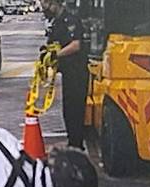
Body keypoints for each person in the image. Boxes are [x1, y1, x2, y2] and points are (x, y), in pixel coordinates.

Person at [41, 0, 89, 149]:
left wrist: (57, 55)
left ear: (56, 4)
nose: (46, 9)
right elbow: (55, 42)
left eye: (47, 5)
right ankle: (72, 142)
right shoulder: (57, 22)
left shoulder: (71, 20)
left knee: (75, 110)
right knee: (68, 110)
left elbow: (76, 45)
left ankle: (77, 144)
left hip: (77, 72)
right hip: (68, 73)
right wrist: (47, 51)